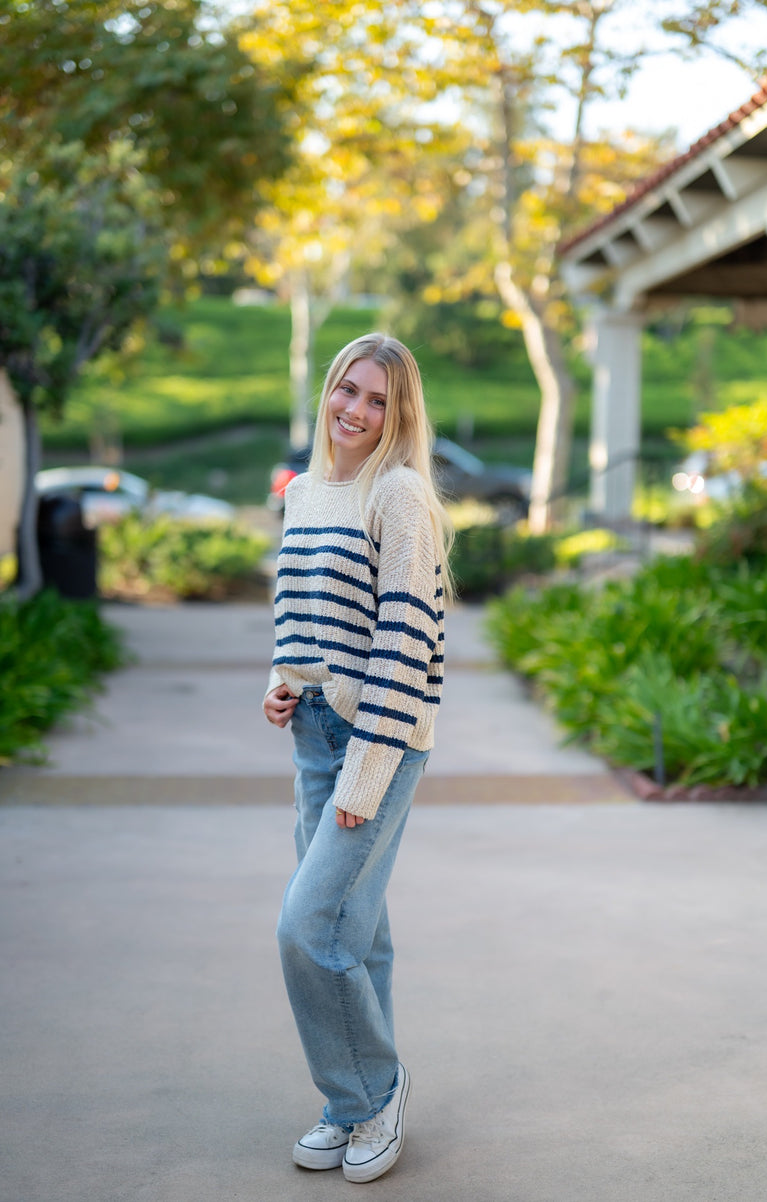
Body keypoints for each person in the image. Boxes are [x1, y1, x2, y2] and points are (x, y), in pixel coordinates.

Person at [262, 332, 453, 1183]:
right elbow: (302, 606)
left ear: (398, 416)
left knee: (309, 927)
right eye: (349, 389)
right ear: (329, 389)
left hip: (378, 736)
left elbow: (405, 644)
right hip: (313, 728)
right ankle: (359, 1098)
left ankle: (367, 1096)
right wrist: (281, 679)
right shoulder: (304, 492)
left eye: (379, 401)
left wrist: (367, 772)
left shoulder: (402, 495)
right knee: (356, 925)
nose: (357, 411)